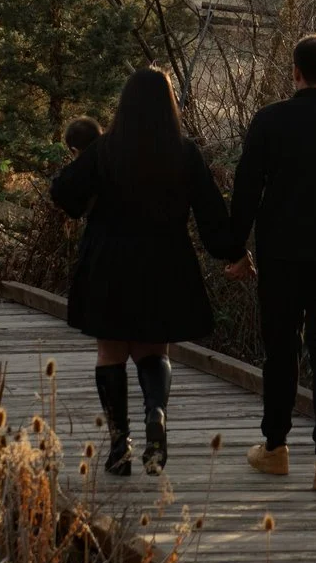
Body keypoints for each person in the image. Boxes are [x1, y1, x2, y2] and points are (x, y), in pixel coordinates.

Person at [51, 68, 234, 476]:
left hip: (108, 261)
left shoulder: (105, 150)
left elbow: (64, 193)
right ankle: (156, 414)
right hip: (165, 262)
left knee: (110, 352)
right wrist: (233, 254)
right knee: (154, 351)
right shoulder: (184, 152)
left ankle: (119, 444)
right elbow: (212, 217)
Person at [223, 32, 316, 493]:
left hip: (282, 253)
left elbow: (246, 191)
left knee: (281, 349)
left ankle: (275, 448)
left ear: (294, 72)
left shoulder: (269, 121)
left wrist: (236, 250)